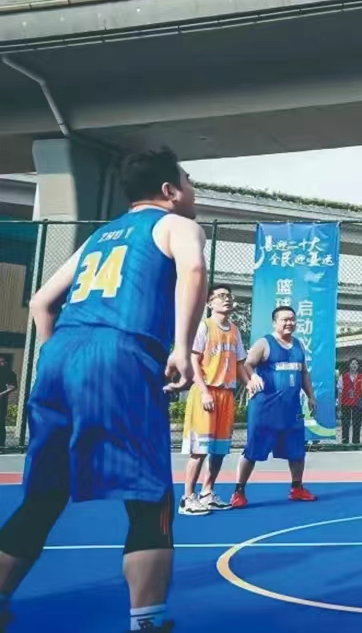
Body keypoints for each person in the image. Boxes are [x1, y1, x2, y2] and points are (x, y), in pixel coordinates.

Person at [0, 147, 206, 633]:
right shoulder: (176, 225)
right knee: (150, 498)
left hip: (60, 356)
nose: (193, 189)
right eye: (189, 180)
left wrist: (59, 355)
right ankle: (147, 621)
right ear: (169, 191)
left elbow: (41, 302)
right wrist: (181, 348)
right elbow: (193, 272)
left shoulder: (99, 236)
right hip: (119, 355)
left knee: (43, 495)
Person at [229, 306, 318, 508]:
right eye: (285, 319)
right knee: (252, 450)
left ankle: (297, 488)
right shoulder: (264, 343)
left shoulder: (298, 345)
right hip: (265, 409)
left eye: (292, 319)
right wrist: (253, 377)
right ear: (274, 322)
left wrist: (311, 396)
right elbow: (246, 364)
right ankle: (239, 491)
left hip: (292, 409)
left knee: (297, 450)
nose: (289, 323)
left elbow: (304, 373)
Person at [179, 284, 248, 515]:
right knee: (199, 450)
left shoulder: (235, 330)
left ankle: (207, 493)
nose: (226, 299)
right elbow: (193, 361)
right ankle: (187, 498)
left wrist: (250, 382)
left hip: (226, 394)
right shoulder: (204, 326)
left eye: (228, 296)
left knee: (218, 450)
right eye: (220, 296)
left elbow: (240, 363)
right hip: (206, 392)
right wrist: (204, 391)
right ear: (210, 303)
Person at [337, 358, 362, 446]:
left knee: (357, 423)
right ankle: (345, 441)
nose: (354, 365)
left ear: (358, 366)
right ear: (349, 365)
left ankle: (356, 441)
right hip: (345, 402)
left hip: (357, 402)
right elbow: (340, 391)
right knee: (345, 423)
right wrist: (339, 403)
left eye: (356, 364)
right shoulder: (343, 377)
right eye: (352, 363)